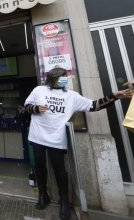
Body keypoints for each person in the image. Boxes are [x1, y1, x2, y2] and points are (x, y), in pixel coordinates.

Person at [24, 67, 133, 220]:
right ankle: (43, 195)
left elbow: (94, 105)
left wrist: (114, 96)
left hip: (57, 139)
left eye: (66, 77)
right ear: (52, 78)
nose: (65, 79)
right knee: (40, 167)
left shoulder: (72, 96)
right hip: (37, 136)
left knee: (59, 170)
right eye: (62, 77)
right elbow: (26, 107)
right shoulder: (39, 90)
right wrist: (35, 108)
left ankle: (64, 201)